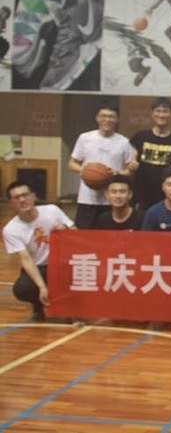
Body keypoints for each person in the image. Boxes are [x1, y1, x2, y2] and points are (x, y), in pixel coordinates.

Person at [3, 181, 75, 321]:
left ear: (33, 196)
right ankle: (39, 304)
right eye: (17, 197)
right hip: (39, 267)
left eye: (25, 195)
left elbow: (77, 234)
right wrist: (42, 287)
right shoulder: (11, 229)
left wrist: (65, 231)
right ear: (12, 203)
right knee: (22, 289)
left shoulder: (52, 210)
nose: (22, 200)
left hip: (62, 264)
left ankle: (68, 305)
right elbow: (26, 260)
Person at [68, 102, 133, 229]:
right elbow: (71, 163)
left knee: (108, 236)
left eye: (111, 116)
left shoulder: (124, 142)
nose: (107, 119)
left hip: (112, 200)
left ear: (117, 120)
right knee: (84, 235)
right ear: (97, 118)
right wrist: (85, 170)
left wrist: (116, 173)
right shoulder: (85, 138)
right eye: (103, 116)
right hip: (87, 198)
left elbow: (129, 170)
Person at [129, 97, 171, 210]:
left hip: (166, 199)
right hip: (141, 198)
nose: (161, 115)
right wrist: (131, 167)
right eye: (158, 111)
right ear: (152, 114)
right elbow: (131, 163)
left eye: (165, 111)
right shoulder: (140, 137)